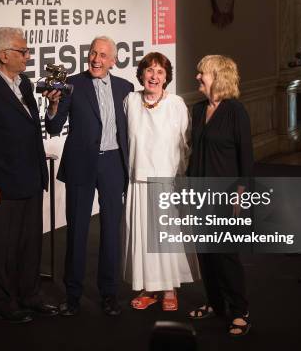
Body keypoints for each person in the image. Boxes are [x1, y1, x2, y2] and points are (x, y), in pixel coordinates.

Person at [0, 27, 58, 323]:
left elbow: (32, 127)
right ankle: (5, 302)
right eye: (23, 51)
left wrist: (52, 106)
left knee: (31, 244)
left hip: (31, 177)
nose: (28, 57)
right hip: (2, 184)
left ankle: (30, 295)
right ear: (4, 55)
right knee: (5, 247)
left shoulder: (25, 83)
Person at [45, 36, 134, 316]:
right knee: (77, 232)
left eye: (102, 55)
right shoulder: (71, 84)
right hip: (81, 164)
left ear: (113, 60)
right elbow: (54, 126)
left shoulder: (125, 88)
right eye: (93, 53)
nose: (96, 59)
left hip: (112, 166)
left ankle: (109, 294)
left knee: (111, 232)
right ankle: (72, 296)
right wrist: (54, 104)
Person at [122, 52, 199, 312]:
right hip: (138, 180)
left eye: (160, 72)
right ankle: (149, 288)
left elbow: (186, 144)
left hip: (166, 181)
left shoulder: (176, 104)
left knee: (166, 238)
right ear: (141, 73)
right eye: (149, 70)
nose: (154, 76)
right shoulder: (130, 101)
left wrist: (179, 178)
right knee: (143, 239)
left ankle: (169, 288)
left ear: (166, 78)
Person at [186, 55, 253, 336]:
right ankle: (215, 303)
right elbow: (193, 152)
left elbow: (246, 158)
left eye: (203, 73)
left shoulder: (235, 111)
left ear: (219, 77)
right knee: (206, 255)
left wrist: (241, 195)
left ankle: (240, 311)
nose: (198, 77)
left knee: (225, 255)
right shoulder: (199, 109)